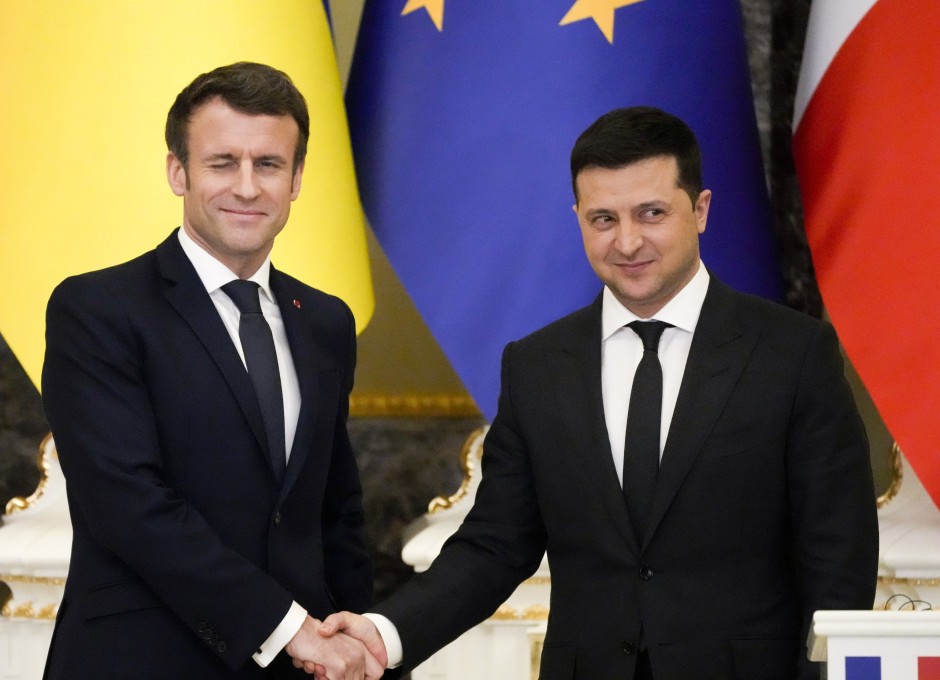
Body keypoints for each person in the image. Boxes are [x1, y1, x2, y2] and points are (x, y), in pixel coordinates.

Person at [316, 106, 879, 680]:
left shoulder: (793, 353)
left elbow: (838, 560)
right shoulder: (537, 366)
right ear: (578, 219)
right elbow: (494, 547)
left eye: (651, 213)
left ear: (701, 210)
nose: (628, 241)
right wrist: (385, 635)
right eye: (603, 218)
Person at [41, 62, 382, 680]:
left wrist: (360, 647)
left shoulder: (326, 321)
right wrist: (290, 631)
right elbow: (128, 506)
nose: (247, 188)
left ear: (297, 178)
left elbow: (336, 512)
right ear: (178, 171)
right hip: (143, 660)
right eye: (223, 163)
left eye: (269, 165)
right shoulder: (97, 309)